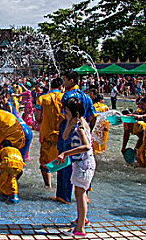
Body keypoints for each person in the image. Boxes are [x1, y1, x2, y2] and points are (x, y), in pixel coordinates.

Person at [54, 70, 96, 204]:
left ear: (71, 81)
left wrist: (59, 127)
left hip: (69, 135)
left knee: (65, 165)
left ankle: (63, 196)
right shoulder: (87, 96)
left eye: (64, 80)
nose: (63, 83)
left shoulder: (66, 96)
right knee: (83, 165)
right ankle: (86, 196)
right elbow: (92, 117)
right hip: (83, 134)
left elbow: (62, 118)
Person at [56, 97, 96, 237]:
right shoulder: (75, 123)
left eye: (66, 112)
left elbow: (86, 146)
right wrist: (69, 122)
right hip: (81, 163)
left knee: (80, 194)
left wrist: (66, 153)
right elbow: (65, 136)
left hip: (84, 164)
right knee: (81, 193)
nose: (65, 114)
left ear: (75, 112)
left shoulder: (80, 127)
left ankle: (80, 229)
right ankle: (82, 220)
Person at [34, 77, 63, 187]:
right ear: (61, 87)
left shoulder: (42, 98)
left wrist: (46, 119)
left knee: (45, 161)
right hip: (62, 134)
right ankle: (61, 186)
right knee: (62, 159)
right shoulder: (64, 97)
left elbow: (37, 117)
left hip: (46, 134)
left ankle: (48, 185)